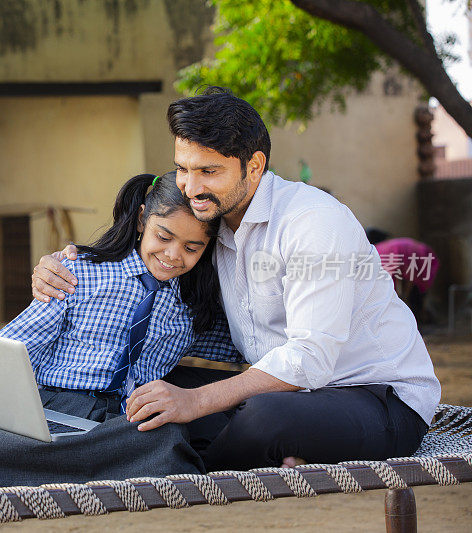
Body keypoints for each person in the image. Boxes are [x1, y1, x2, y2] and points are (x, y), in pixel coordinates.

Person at [32, 87, 440, 472]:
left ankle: (183, 474)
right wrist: (67, 264)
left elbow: (311, 359)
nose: (192, 187)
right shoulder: (212, 228)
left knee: (264, 418)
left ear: (255, 166)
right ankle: (137, 452)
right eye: (183, 169)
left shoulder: (312, 222)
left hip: (378, 400)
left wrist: (195, 403)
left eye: (209, 171)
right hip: (287, 392)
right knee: (152, 391)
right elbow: (154, 263)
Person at [0, 172, 243, 492]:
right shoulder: (76, 274)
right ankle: (90, 473)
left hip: (122, 421)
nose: (172, 255)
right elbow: (13, 347)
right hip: (51, 409)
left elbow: (245, 348)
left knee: (167, 438)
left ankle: (38, 471)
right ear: (141, 220)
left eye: (191, 248)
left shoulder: (192, 305)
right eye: (163, 237)